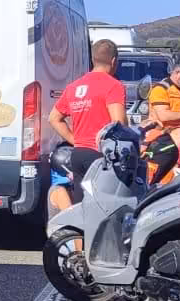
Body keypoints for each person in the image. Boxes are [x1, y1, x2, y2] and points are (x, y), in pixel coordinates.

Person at [46, 39, 129, 213]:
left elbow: (54, 118)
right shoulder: (113, 85)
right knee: (103, 211)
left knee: (82, 210)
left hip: (78, 155)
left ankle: (80, 240)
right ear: (114, 61)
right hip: (101, 157)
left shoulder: (74, 87)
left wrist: (75, 140)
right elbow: (119, 124)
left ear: (93, 60)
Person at [141, 57, 180, 180]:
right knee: (162, 178)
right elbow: (164, 116)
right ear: (177, 73)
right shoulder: (161, 89)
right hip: (163, 142)